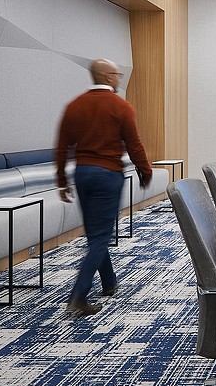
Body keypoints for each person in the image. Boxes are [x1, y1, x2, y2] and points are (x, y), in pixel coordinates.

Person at [55, 59, 152, 317]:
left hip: (82, 174)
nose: (119, 78)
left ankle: (108, 283)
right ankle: (78, 296)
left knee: (95, 233)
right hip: (107, 175)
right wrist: (145, 170)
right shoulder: (120, 107)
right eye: (117, 74)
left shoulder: (74, 106)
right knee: (100, 237)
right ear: (108, 77)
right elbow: (134, 144)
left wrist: (61, 181)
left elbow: (62, 146)